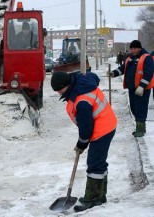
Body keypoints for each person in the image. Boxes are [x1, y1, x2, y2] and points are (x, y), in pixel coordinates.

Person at [51, 71, 117, 212]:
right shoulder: (81, 83)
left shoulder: (82, 101)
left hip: (102, 129)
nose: (58, 93)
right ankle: (100, 195)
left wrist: (82, 143)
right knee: (99, 162)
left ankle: (92, 198)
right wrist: (82, 142)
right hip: (106, 123)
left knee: (94, 164)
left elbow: (86, 127)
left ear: (66, 85)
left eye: (59, 90)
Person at [108, 40, 154, 137]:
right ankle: (141, 126)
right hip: (132, 88)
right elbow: (122, 68)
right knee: (134, 108)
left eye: (135, 48)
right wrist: (114, 73)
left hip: (142, 89)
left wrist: (142, 86)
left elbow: (149, 73)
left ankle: (140, 129)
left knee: (140, 108)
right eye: (131, 49)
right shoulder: (129, 58)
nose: (133, 50)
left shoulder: (146, 58)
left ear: (140, 48)